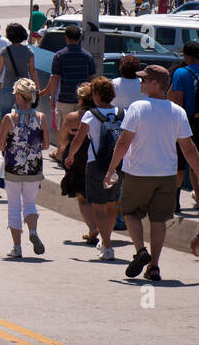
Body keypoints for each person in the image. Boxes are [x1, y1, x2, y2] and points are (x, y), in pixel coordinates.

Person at [102, 65, 199, 281]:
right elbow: (188, 148)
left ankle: (140, 251)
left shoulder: (137, 107)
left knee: (131, 213)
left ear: (156, 84)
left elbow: (123, 142)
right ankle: (154, 266)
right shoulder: (177, 111)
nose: (141, 83)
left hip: (137, 172)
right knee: (158, 220)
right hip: (166, 175)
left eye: (145, 80)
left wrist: (110, 170)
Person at [64, 77, 124, 260]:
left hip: (96, 164)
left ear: (96, 95)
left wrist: (70, 156)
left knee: (98, 207)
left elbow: (78, 139)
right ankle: (107, 239)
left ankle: (107, 246)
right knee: (112, 205)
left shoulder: (91, 114)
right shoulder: (122, 113)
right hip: (117, 164)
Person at [0, 78, 50, 259]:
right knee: (29, 204)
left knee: (14, 206)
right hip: (34, 168)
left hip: (13, 167)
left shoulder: (9, 119)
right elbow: (46, 145)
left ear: (18, 96)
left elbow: (1, 145)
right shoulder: (41, 118)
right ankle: (32, 231)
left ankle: (17, 247)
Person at [56, 83, 98, 246]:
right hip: (95, 156)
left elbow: (62, 138)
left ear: (80, 99)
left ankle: (92, 228)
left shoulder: (72, 117)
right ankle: (99, 227)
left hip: (77, 157)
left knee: (82, 196)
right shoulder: (99, 116)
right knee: (97, 195)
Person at [41, 24, 97, 124]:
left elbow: (55, 78)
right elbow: (92, 79)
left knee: (63, 132)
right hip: (83, 101)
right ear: (80, 38)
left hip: (64, 99)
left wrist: (52, 99)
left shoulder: (59, 56)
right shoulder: (88, 56)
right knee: (81, 132)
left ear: (66, 38)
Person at [168, 40, 199, 212]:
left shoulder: (181, 73)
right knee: (197, 163)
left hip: (187, 123)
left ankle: (175, 203)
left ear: (186, 56)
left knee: (179, 164)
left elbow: (178, 101)